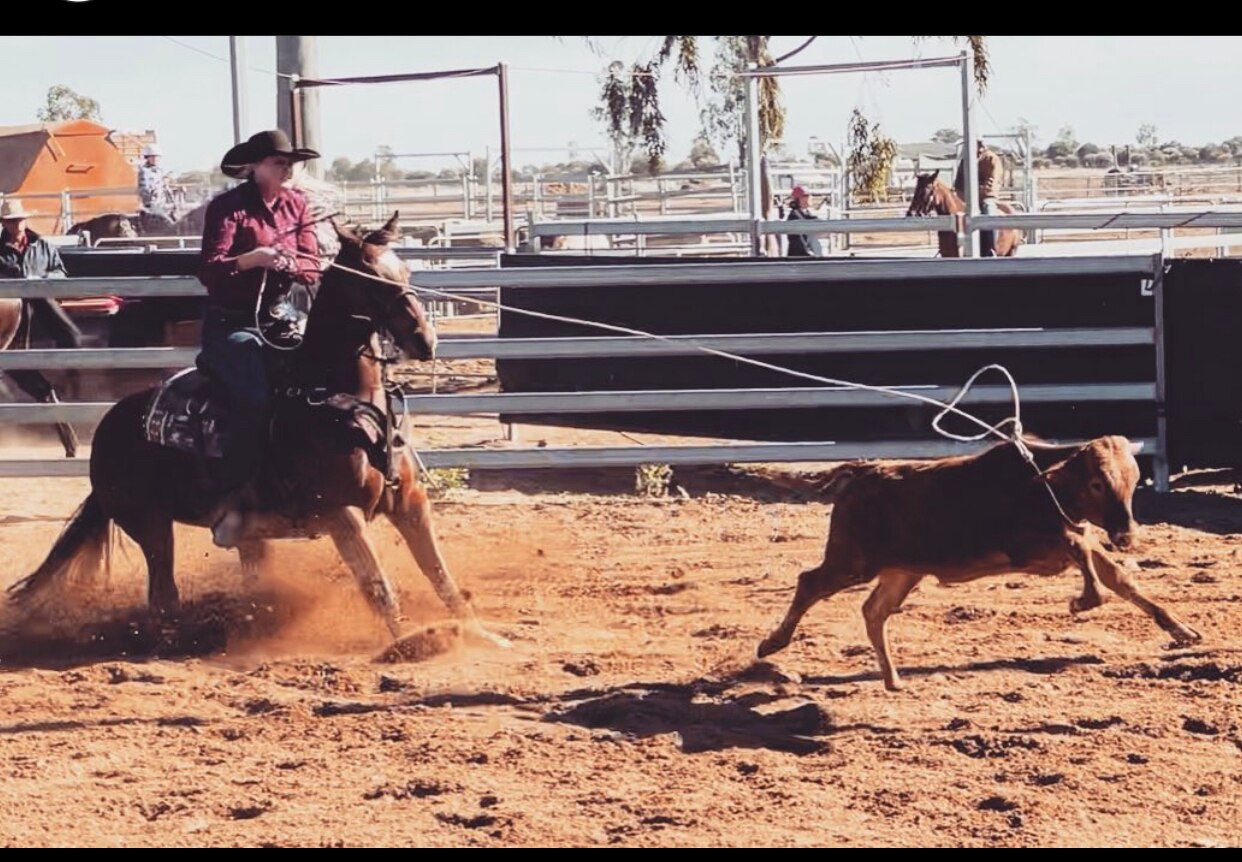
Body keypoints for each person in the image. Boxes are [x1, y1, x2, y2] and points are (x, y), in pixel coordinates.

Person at [196, 129, 322, 546]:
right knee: (254, 397)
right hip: (231, 325)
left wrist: (291, 264)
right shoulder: (228, 208)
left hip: (281, 321)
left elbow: (312, 265)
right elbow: (210, 270)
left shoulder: (297, 204)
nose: (287, 169)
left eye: (290, 163)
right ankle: (233, 500)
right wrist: (251, 260)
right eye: (278, 162)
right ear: (254, 166)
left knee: (322, 388)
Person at [0, 197, 84, 457]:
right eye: (11, 221)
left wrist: (42, 280)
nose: (16, 225)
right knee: (34, 380)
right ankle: (69, 439)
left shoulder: (43, 246)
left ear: (25, 220)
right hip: (13, 313)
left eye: (18, 220)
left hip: (35, 307)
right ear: (4, 223)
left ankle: (72, 371)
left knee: (70, 335)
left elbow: (60, 273)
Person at [954, 140, 1004, 257]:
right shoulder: (965, 161)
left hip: (986, 196)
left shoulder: (991, 159)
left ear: (980, 145)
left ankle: (990, 248)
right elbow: (958, 183)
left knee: (987, 211)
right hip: (967, 197)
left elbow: (991, 181)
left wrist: (975, 193)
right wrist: (960, 196)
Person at [137, 143, 177, 216]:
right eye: (152, 157)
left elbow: (164, 186)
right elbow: (144, 188)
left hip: (161, 203)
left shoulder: (160, 171)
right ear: (147, 157)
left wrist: (173, 201)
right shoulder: (144, 171)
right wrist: (150, 200)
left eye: (157, 157)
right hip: (150, 205)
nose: (155, 159)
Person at [784, 186, 822, 257]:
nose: (810, 197)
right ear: (799, 199)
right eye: (806, 196)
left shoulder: (807, 214)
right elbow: (797, 242)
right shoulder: (794, 218)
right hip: (799, 259)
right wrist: (809, 255)